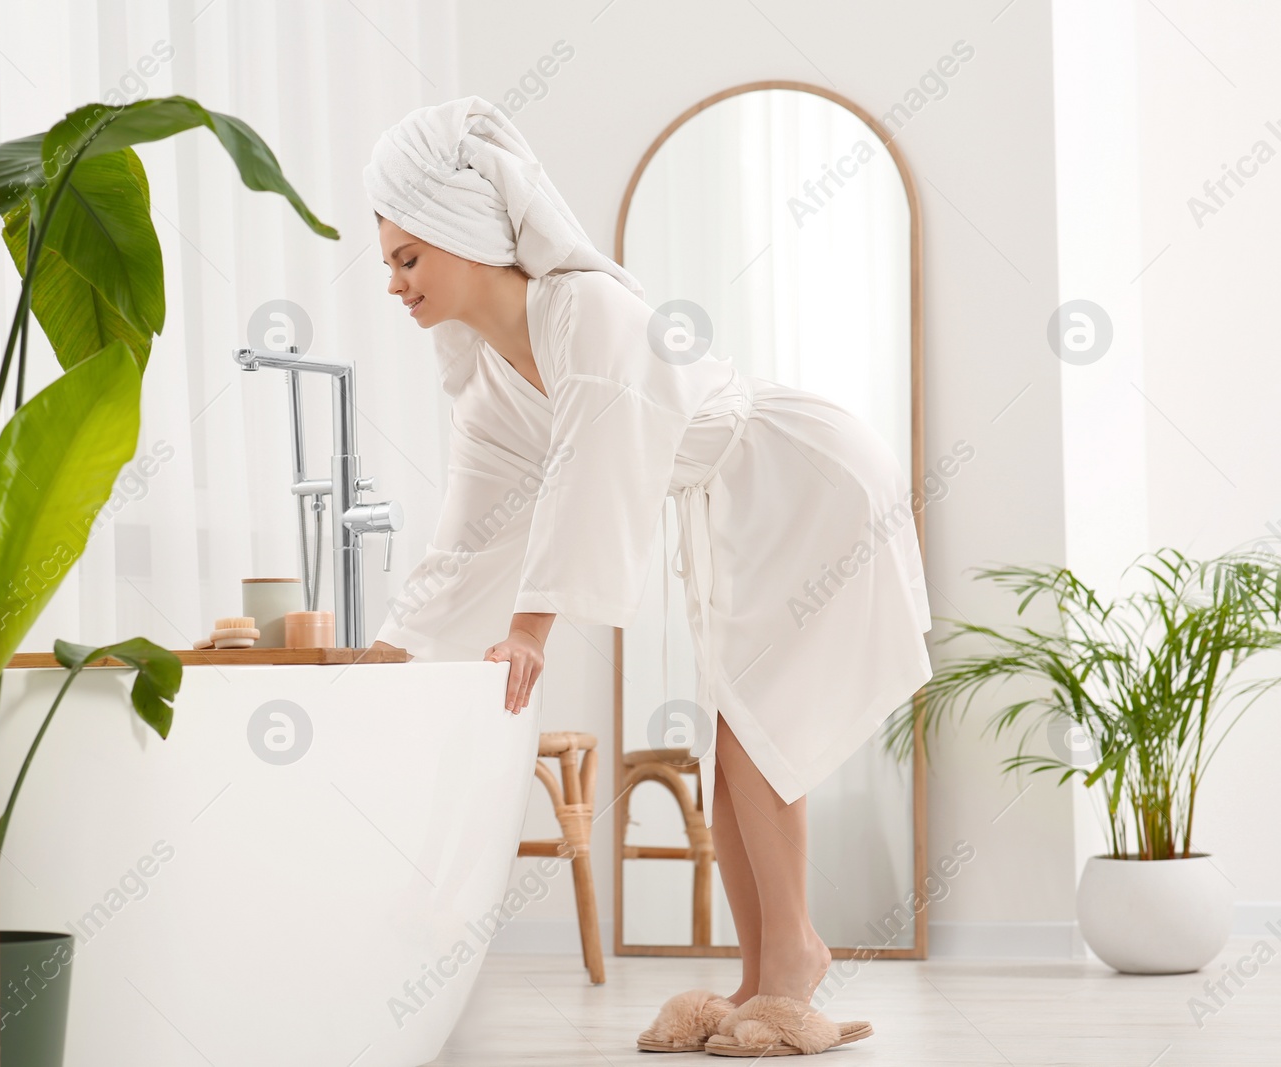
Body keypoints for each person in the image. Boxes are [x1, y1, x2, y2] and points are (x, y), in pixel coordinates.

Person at [361, 95, 931, 1056]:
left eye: (408, 258)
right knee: (733, 734)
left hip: (805, 478)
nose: (394, 283)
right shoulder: (496, 381)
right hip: (741, 503)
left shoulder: (583, 308)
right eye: (388, 263)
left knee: (761, 726)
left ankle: (794, 958)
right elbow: (470, 532)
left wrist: (533, 627)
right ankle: (760, 979)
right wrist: (392, 645)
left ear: (465, 238)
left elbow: (592, 462)